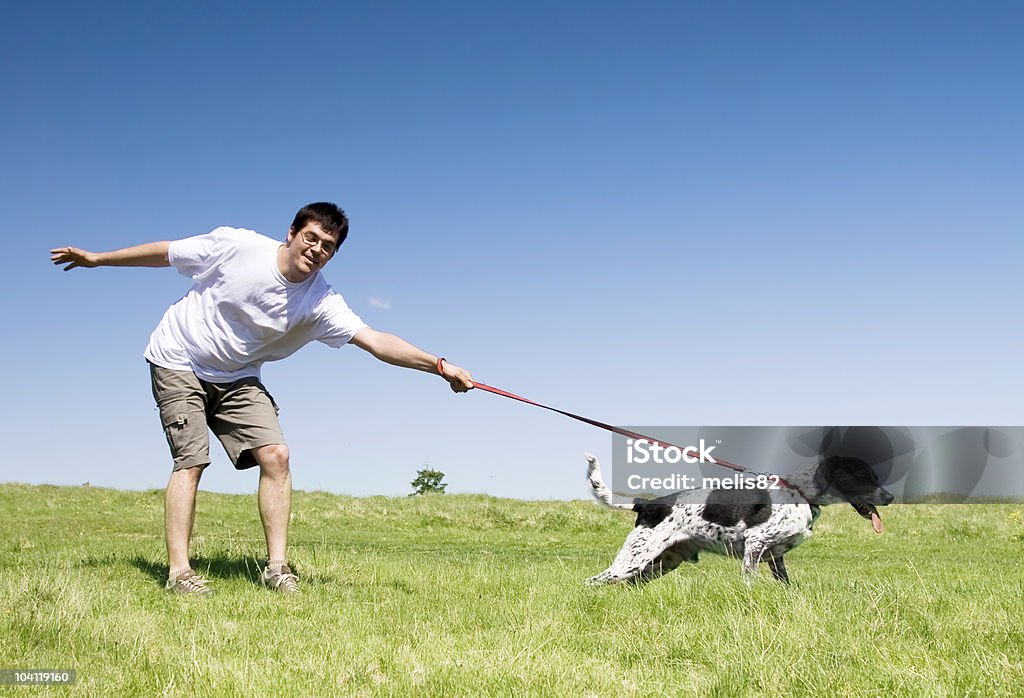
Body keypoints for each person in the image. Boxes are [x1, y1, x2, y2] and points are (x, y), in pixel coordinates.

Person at [50, 202, 474, 595]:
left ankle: (277, 568)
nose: (317, 249)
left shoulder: (320, 300)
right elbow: (167, 253)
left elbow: (376, 341)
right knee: (192, 460)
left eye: (328, 246)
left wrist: (440, 366)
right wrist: (98, 258)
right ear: (291, 233)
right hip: (178, 358)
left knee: (277, 455)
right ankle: (180, 572)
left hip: (237, 376)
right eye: (311, 237)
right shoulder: (238, 246)